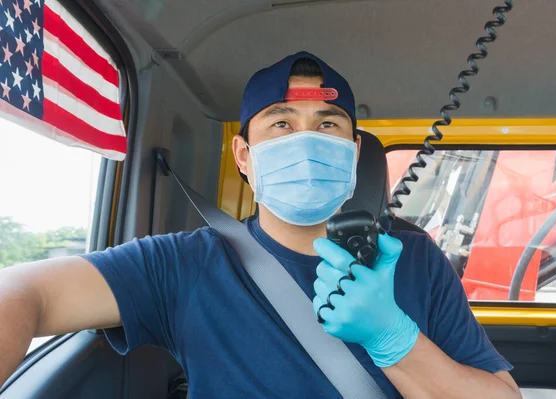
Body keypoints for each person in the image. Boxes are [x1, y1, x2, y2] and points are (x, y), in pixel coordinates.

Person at [0, 51, 521, 398]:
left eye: (328, 124)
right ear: (243, 157)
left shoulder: (416, 258)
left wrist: (395, 340)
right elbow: (26, 290)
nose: (307, 139)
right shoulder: (181, 263)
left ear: (354, 150)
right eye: (281, 124)